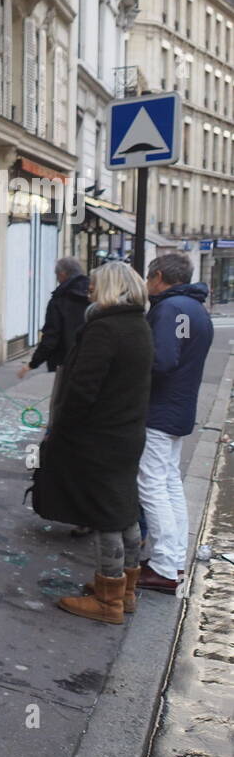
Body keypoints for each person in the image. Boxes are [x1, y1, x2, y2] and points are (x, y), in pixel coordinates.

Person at [34, 262, 153, 624]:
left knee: (106, 519)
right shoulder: (139, 325)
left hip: (99, 438)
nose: (89, 291)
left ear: (110, 289)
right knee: (125, 511)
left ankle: (108, 599)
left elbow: (81, 391)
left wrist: (61, 433)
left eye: (94, 286)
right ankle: (125, 591)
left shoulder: (104, 330)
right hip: (127, 433)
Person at [136, 253, 214, 594]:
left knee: (152, 484)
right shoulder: (197, 308)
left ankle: (165, 567)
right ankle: (174, 560)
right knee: (169, 484)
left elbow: (162, 360)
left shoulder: (169, 309)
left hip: (160, 408)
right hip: (180, 408)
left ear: (157, 276)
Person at [17, 256, 89, 379]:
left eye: (57, 276)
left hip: (64, 362)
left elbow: (51, 337)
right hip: (90, 360)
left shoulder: (59, 300)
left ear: (63, 274)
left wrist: (33, 364)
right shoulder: (94, 295)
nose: (57, 280)